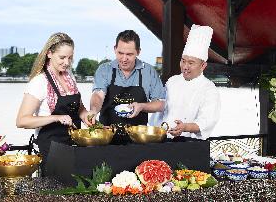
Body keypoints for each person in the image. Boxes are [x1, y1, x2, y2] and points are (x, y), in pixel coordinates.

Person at [16, 32, 89, 171]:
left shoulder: (69, 78)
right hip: (50, 150)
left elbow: (79, 109)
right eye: (62, 57)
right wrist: (56, 118)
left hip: (73, 146)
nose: (67, 62)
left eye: (70, 58)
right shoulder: (39, 82)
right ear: (49, 53)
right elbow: (22, 121)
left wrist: (89, 118)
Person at [85, 30, 166, 143]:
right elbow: (98, 95)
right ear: (115, 49)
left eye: (129, 54)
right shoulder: (105, 70)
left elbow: (161, 104)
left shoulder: (149, 72)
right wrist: (93, 110)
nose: (124, 59)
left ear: (138, 52)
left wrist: (142, 106)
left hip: (138, 138)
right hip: (107, 137)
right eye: (120, 53)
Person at [150, 24, 220, 141]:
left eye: (191, 63)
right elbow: (161, 109)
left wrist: (185, 127)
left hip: (189, 143)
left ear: (203, 65)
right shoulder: (172, 81)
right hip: (162, 140)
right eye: (183, 61)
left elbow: (206, 122)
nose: (185, 67)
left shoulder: (209, 89)